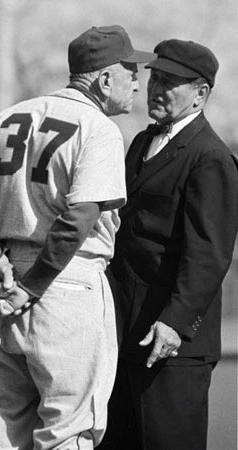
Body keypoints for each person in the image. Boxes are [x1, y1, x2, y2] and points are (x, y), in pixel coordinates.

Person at [0, 25, 155, 450]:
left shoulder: (8, 116)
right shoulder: (97, 128)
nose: (138, 80)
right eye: (130, 69)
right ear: (103, 79)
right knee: (68, 432)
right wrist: (30, 286)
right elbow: (80, 216)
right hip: (64, 284)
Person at [97, 39, 238, 450]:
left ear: (200, 93)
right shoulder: (142, 141)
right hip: (124, 334)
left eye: (170, 81)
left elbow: (209, 254)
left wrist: (175, 322)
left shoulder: (210, 157)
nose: (156, 89)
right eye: (154, 77)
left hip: (171, 346)